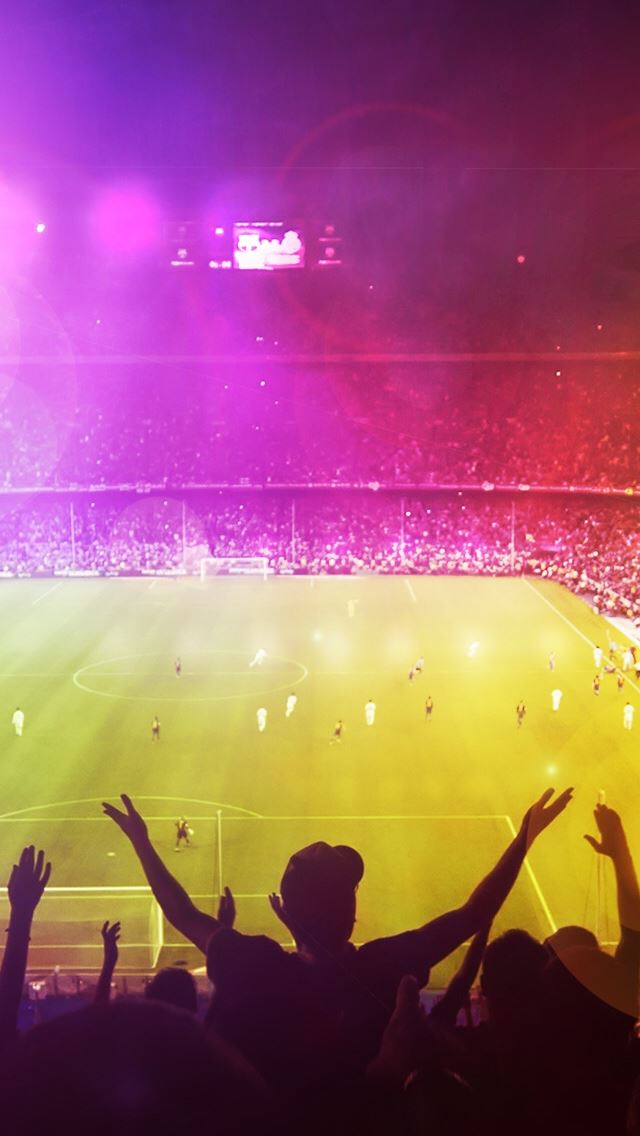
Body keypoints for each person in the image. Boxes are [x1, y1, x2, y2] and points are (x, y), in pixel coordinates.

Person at [102, 788, 573, 1087]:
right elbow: (473, 913)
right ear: (351, 916)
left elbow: (181, 911)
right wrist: (523, 840)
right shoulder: (385, 967)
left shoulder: (252, 964)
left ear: (286, 911)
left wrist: (141, 840)